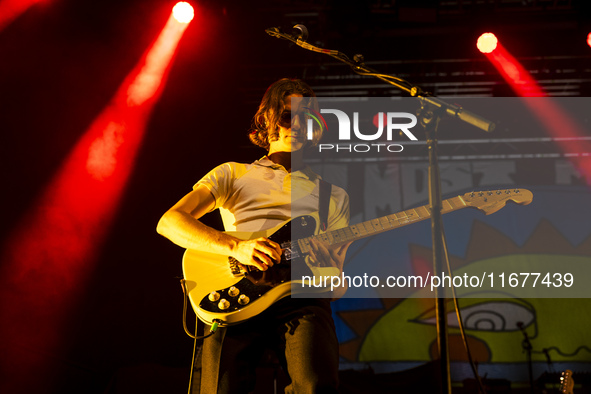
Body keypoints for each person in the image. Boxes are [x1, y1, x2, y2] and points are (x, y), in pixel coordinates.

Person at [157, 78, 351, 393]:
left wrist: (328, 270)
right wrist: (237, 247)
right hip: (234, 292)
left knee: (317, 386)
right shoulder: (232, 173)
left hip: (300, 297)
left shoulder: (335, 196)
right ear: (266, 118)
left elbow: (336, 281)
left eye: (308, 116)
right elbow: (170, 221)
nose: (299, 123)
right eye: (289, 115)